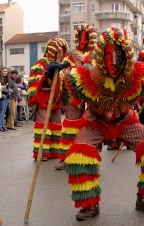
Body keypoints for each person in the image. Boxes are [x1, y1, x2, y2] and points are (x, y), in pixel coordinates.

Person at [48, 27, 144, 221]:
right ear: (100, 53)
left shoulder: (137, 72)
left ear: (126, 53)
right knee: (79, 156)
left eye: (118, 54)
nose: (114, 60)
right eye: (108, 54)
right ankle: (89, 205)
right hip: (95, 122)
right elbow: (60, 86)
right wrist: (51, 76)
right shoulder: (87, 74)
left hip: (125, 120)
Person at [56, 24, 97, 169]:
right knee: (71, 123)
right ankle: (65, 157)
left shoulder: (96, 53)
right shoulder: (72, 54)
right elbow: (65, 70)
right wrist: (61, 66)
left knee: (93, 123)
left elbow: (99, 70)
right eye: (80, 36)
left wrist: (84, 62)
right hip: (75, 94)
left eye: (86, 36)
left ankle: (91, 156)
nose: (83, 39)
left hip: (93, 94)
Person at [27, 38, 69, 160]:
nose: (61, 54)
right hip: (43, 101)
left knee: (55, 126)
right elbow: (36, 84)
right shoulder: (40, 64)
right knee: (43, 126)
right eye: (58, 51)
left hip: (56, 101)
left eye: (63, 51)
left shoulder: (61, 65)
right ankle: (42, 152)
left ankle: (54, 150)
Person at [0, 67, 9, 132]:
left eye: (6, 71)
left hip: (6, 97)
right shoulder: (0, 79)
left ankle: (2, 125)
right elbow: (1, 89)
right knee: (1, 112)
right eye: (4, 71)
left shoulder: (6, 79)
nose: (5, 72)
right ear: (1, 72)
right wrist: (7, 91)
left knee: (3, 112)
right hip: (2, 96)